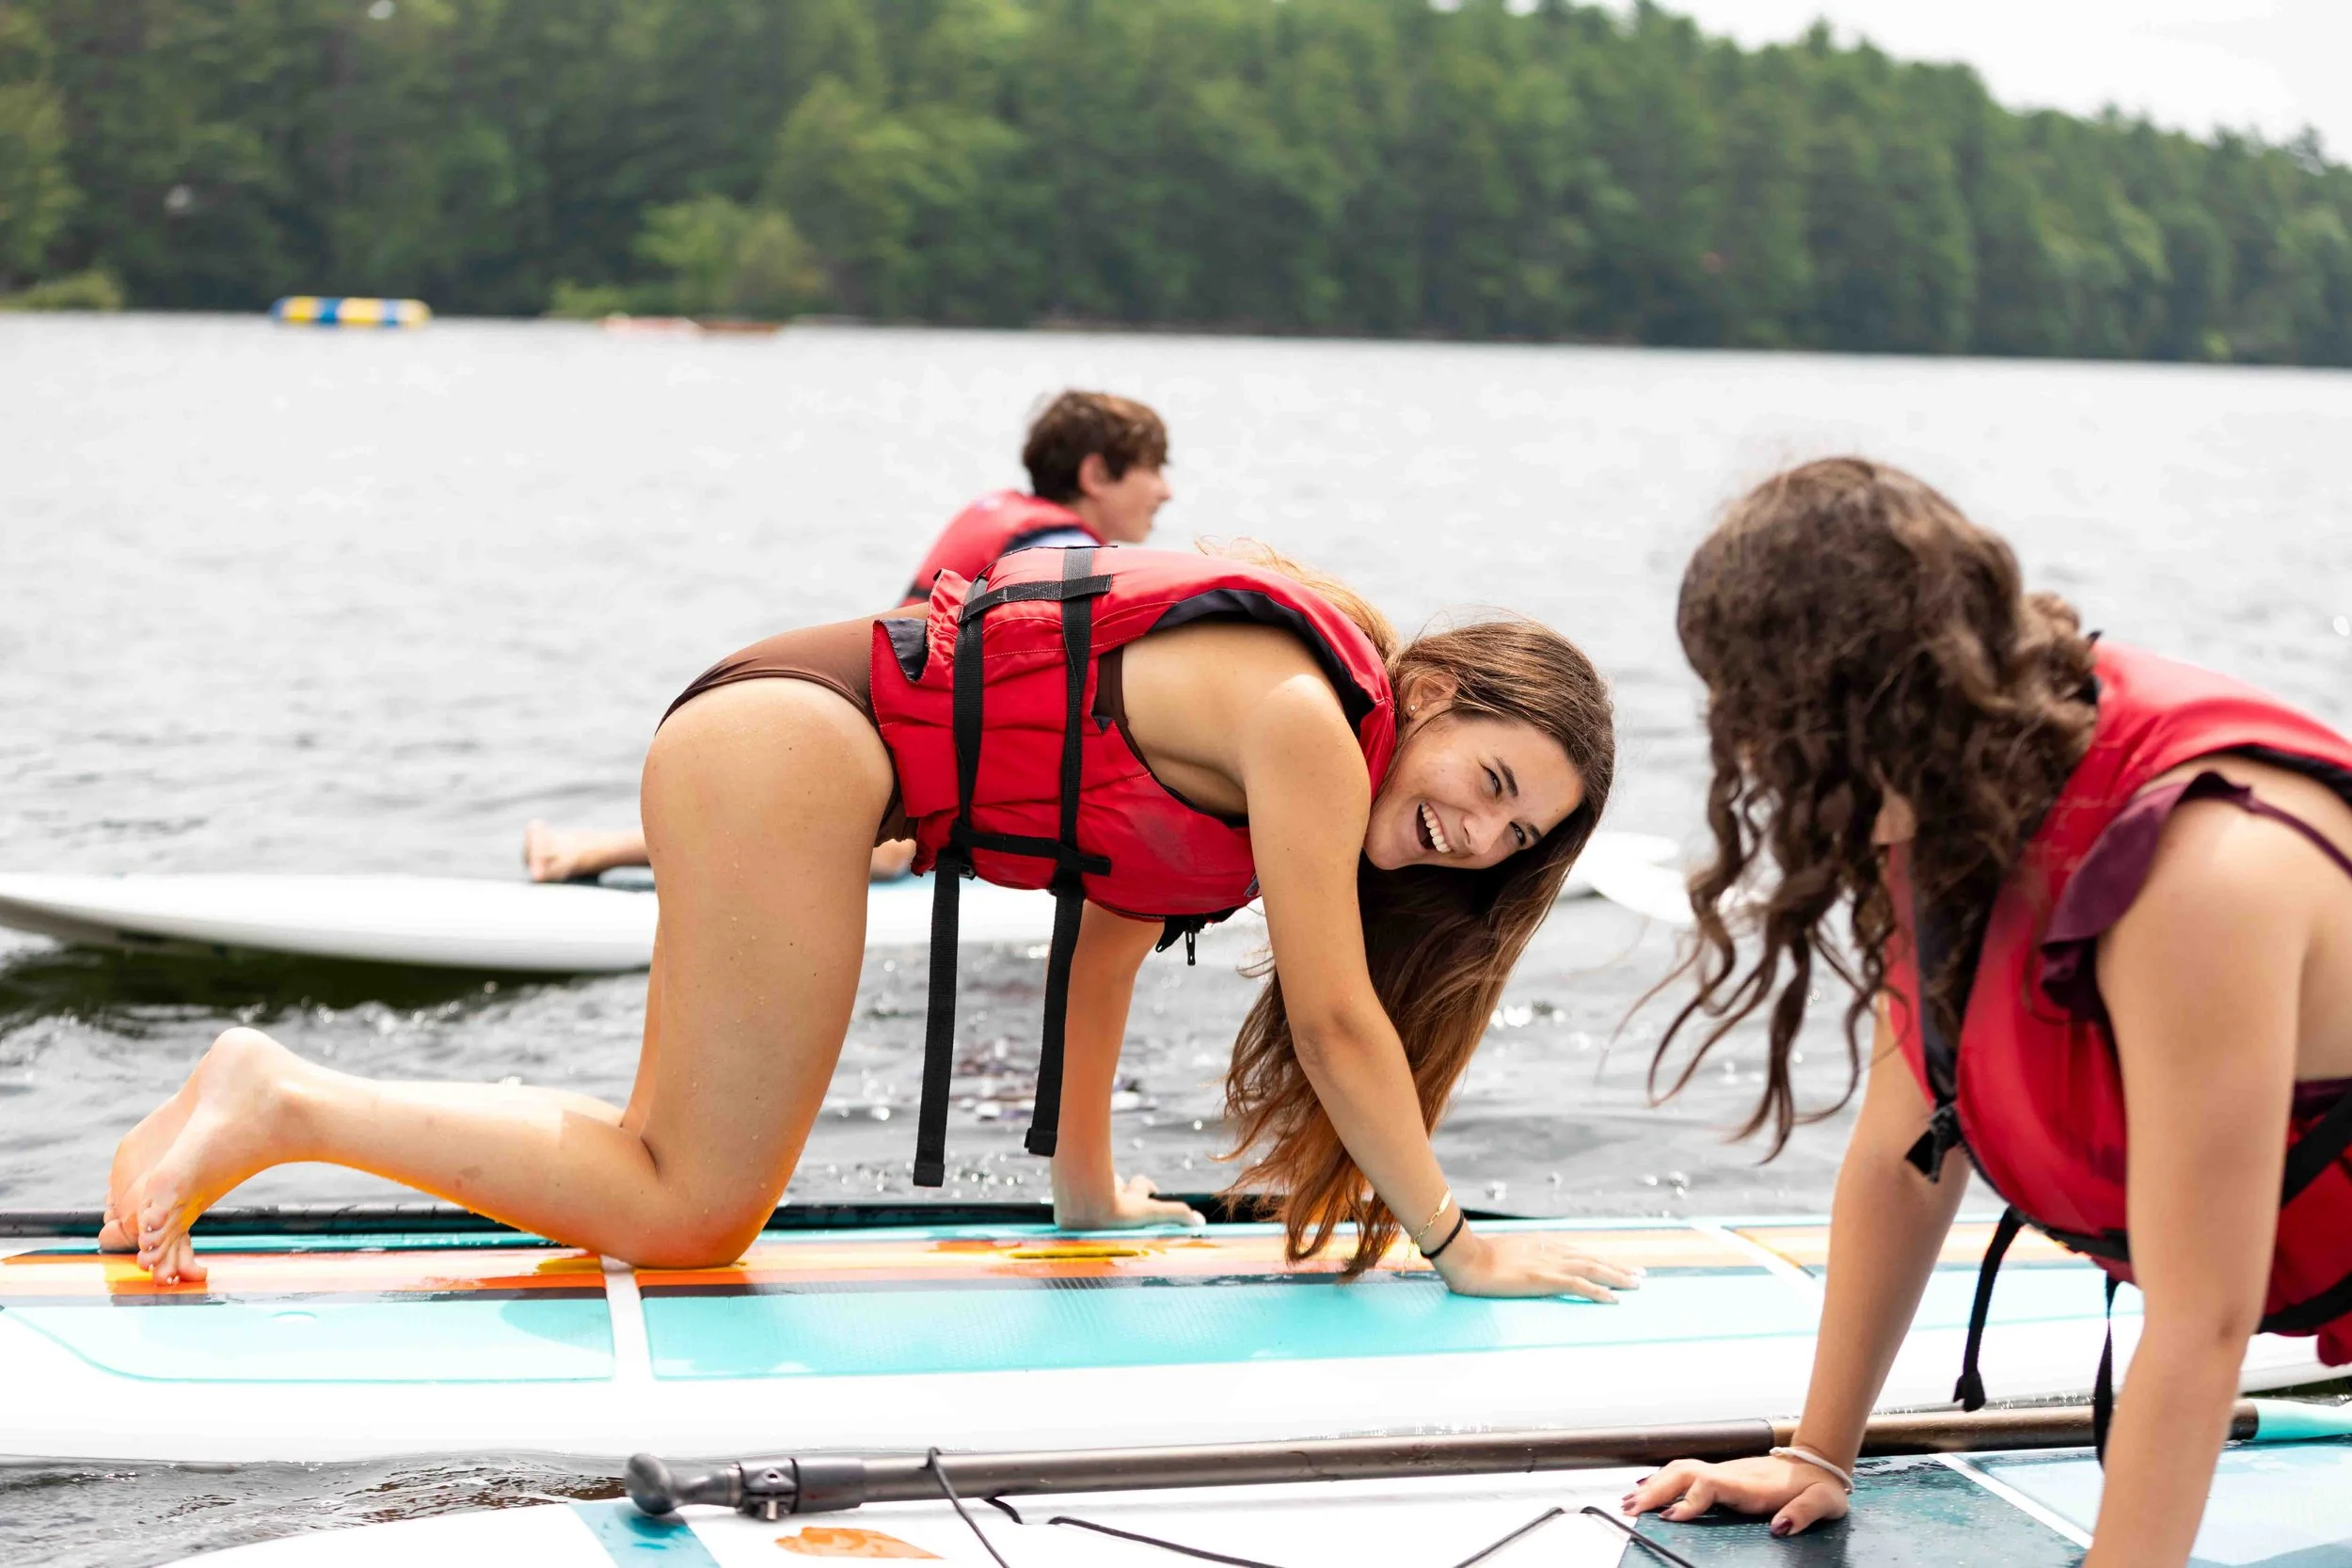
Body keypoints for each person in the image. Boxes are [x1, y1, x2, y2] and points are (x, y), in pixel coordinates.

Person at [103, 539, 1641, 1312]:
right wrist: (1457, 1245)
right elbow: (1333, 1018)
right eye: (1494, 782)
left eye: (1521, 837)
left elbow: (1107, 927)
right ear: (1431, 696)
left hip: (780, 740)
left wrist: (1085, 1190)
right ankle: (281, 1098)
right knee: (690, 1206)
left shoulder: (1279, 738)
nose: (1481, 836)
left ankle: (282, 1102)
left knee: (677, 1177)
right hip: (796, 749)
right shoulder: (1316, 720)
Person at [1625, 459, 2352, 1567]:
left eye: (1772, 729)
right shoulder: (1948, 800)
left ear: (1858, 716)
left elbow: (2203, 1323)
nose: (1758, 767)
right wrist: (1818, 1452)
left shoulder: (2203, 876)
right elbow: (1903, 1147)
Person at [522, 389, 1175, 885]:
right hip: (903, 731)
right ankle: (593, 851)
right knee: (883, 851)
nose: (1166, 490)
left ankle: (596, 844)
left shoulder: (1006, 514)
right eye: (1155, 468)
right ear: (1096, 474)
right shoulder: (1062, 549)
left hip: (882, 707)